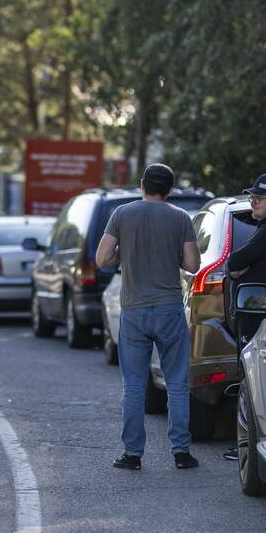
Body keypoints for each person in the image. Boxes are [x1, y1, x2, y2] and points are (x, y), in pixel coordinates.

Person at [96, 163, 202, 471]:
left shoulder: (122, 215)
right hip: (169, 309)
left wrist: (123, 256)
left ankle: (132, 454)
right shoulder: (181, 218)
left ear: (142, 184)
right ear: (169, 189)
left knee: (133, 386)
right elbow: (193, 264)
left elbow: (102, 258)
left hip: (134, 311)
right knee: (178, 384)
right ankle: (181, 452)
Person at [222, 173, 266, 461]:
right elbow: (232, 266)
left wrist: (239, 270)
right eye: (252, 197)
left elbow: (236, 262)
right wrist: (236, 269)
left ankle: (247, 444)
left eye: (260, 198)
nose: (254, 201)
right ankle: (245, 442)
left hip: (259, 316)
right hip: (254, 314)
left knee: (251, 384)